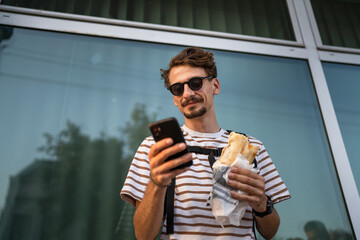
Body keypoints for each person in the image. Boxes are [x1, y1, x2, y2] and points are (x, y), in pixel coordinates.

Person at [121, 47, 291, 239]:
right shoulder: (156, 148)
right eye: (177, 88)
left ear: (215, 86)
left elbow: (270, 232)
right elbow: (143, 235)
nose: (187, 94)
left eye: (195, 83)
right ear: (174, 99)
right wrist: (157, 183)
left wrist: (262, 203)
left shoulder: (252, 147)